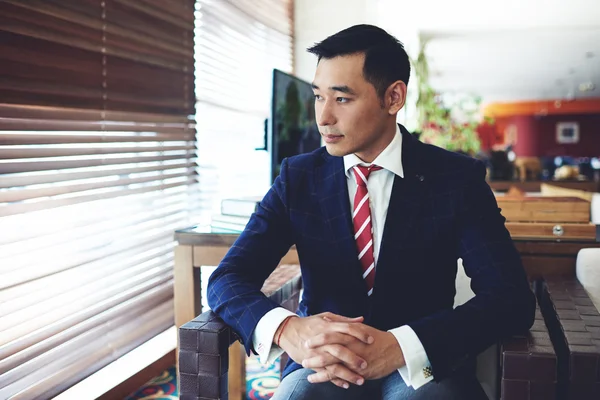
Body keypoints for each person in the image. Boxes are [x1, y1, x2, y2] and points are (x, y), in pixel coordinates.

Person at [208, 24, 535, 399]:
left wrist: (400, 346)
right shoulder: (298, 178)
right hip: (323, 368)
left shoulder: (457, 179)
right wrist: (289, 331)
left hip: (423, 364)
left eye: (342, 99)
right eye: (318, 97)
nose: (323, 117)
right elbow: (227, 278)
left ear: (393, 97)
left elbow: (510, 297)